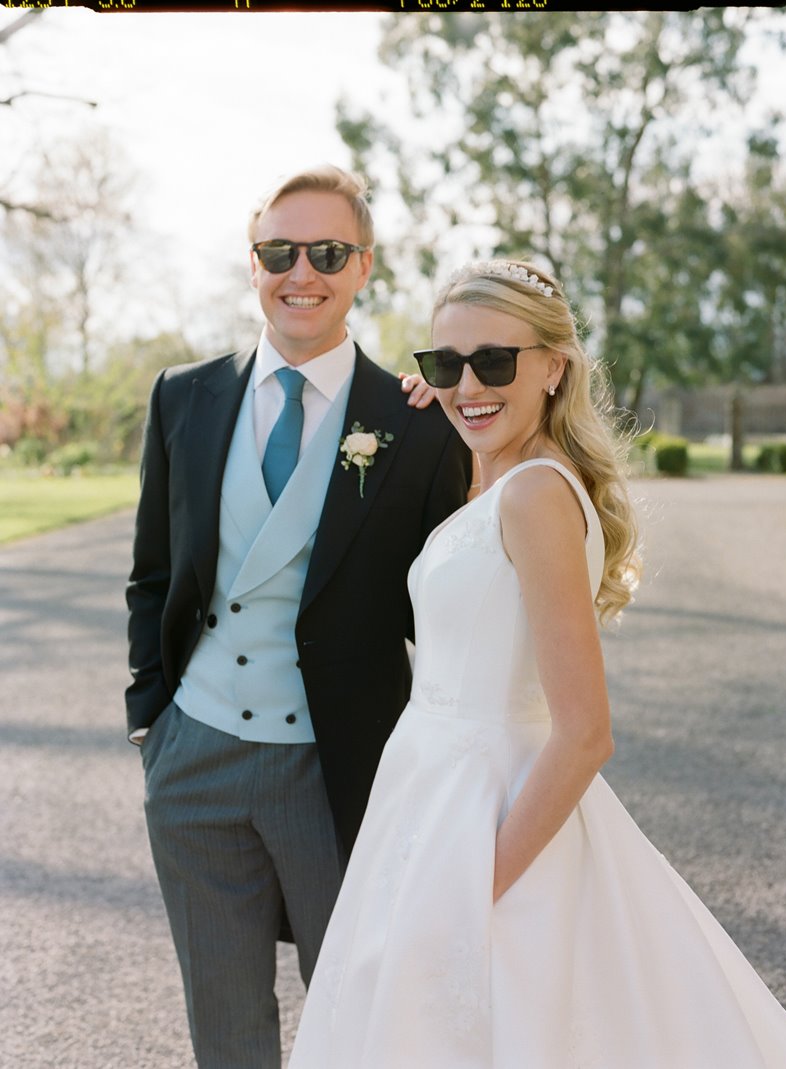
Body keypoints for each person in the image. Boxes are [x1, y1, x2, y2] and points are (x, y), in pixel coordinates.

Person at [288, 259, 786, 1068]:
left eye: (495, 361)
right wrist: (434, 400)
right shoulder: (492, 480)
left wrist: (473, 885)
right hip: (426, 804)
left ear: (554, 366)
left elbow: (586, 732)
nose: (469, 384)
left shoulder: (532, 495)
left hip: (489, 819)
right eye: (445, 363)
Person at [124, 164, 471, 1069]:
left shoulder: (420, 424)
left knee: (360, 1024)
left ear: (363, 268)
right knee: (227, 1030)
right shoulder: (183, 396)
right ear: (253, 265)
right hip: (193, 757)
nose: (300, 271)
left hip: (337, 768)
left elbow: (455, 608)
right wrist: (149, 720)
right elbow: (153, 574)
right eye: (279, 250)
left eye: (325, 251)